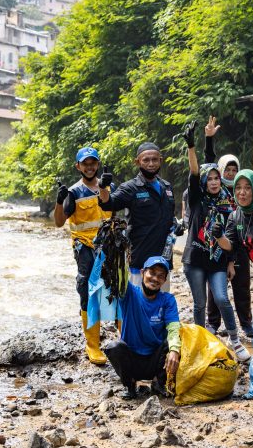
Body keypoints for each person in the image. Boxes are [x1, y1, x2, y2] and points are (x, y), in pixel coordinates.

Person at [180, 121, 251, 362]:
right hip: (195, 259)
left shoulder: (229, 206)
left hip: (218, 258)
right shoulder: (196, 199)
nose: (213, 182)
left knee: (221, 298)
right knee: (200, 304)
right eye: (209, 179)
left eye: (216, 179)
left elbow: (232, 242)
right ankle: (202, 343)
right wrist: (192, 146)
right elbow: (194, 172)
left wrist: (230, 261)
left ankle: (235, 340)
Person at [54, 147, 113, 365]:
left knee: (115, 288)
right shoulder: (73, 192)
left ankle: (124, 339)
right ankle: (93, 345)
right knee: (87, 289)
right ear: (78, 166)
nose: (89, 167)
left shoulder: (108, 186)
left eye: (92, 163)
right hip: (84, 247)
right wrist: (60, 202)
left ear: (97, 165)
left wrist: (106, 188)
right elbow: (59, 222)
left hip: (109, 245)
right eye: (85, 163)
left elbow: (113, 210)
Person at [98, 142, 178, 288]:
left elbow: (169, 216)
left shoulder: (167, 187)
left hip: (163, 258)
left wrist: (175, 226)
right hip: (140, 258)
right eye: (146, 160)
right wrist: (103, 187)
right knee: (138, 304)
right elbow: (109, 203)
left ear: (161, 160)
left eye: (154, 159)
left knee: (161, 304)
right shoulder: (130, 188)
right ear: (137, 162)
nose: (151, 163)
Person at [103, 256, 180, 400]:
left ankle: (158, 383)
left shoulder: (168, 300)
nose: (155, 278)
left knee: (176, 341)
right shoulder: (129, 293)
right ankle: (130, 384)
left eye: (160, 276)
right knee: (114, 347)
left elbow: (174, 327)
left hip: (155, 361)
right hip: (132, 361)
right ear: (143, 272)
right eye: (152, 273)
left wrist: (175, 350)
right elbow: (118, 272)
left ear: (164, 280)